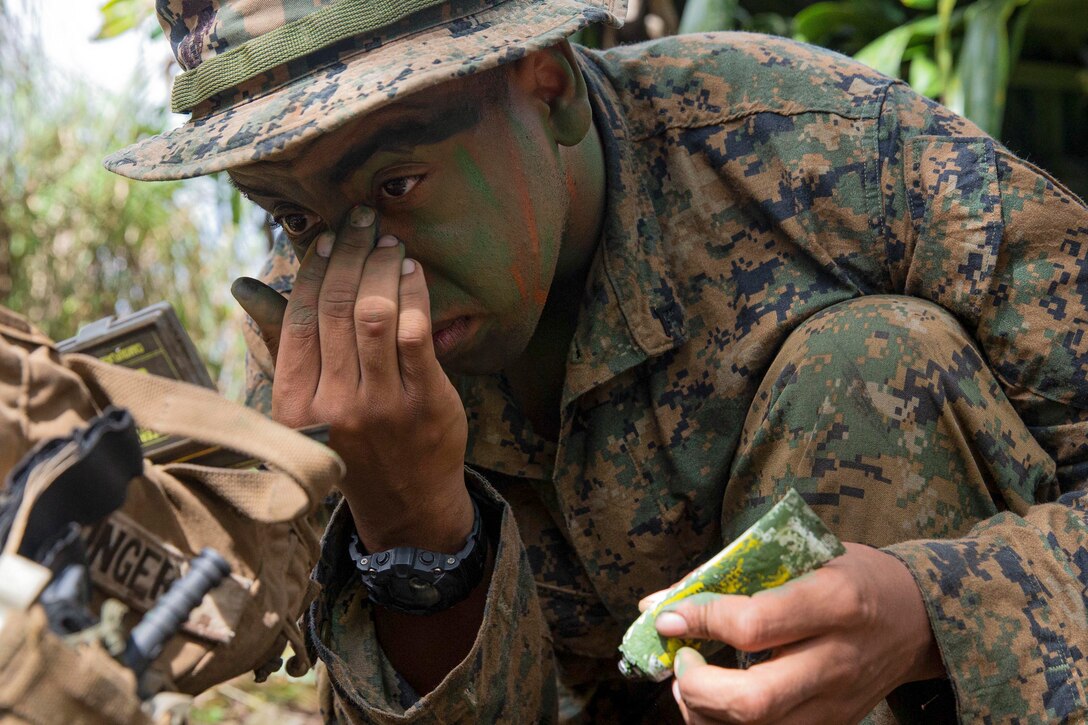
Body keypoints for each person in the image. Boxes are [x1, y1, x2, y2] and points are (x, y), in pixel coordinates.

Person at [105, 1, 1088, 722]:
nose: (366, 279)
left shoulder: (820, 155)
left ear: (548, 82)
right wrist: (412, 535)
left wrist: (932, 609)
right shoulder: (311, 346)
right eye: (295, 214)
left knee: (868, 364)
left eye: (397, 183)